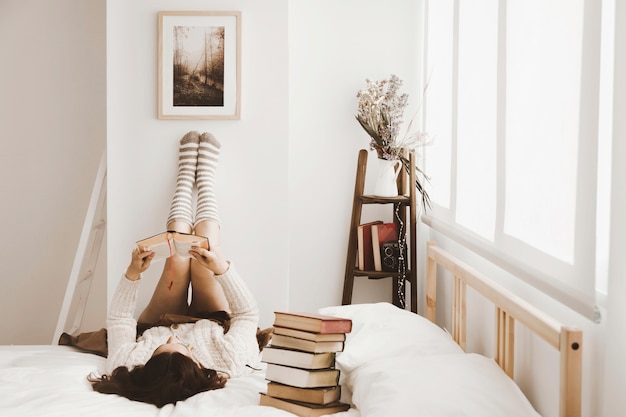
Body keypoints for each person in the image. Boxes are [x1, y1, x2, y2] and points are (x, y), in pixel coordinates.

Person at [89, 132, 261, 407]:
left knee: (178, 255)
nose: (174, 335)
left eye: (160, 348)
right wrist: (222, 269)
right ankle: (204, 178)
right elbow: (247, 315)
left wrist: (133, 273)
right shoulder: (229, 362)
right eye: (181, 346)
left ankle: (184, 176)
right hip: (212, 320)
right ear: (198, 365)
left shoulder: (128, 363)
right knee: (205, 244)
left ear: (147, 366)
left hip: (159, 317)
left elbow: (121, 320)